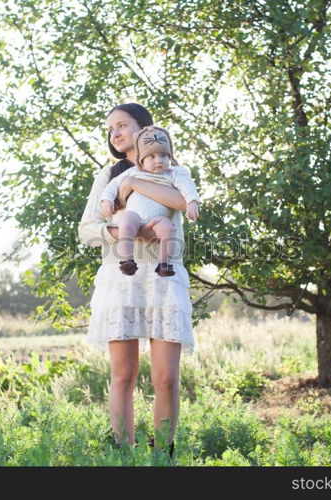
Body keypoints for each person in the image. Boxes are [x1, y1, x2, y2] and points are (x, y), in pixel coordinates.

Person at [77, 103, 196, 457]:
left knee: (166, 378)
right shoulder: (108, 175)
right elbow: (87, 231)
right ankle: (122, 456)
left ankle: (163, 457)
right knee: (124, 375)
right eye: (110, 128)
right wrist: (119, 230)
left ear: (145, 128)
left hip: (164, 277)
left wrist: (133, 181)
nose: (114, 133)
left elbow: (179, 201)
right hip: (122, 278)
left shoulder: (169, 167)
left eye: (122, 125)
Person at [99, 125, 200, 278]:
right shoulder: (134, 172)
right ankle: (127, 260)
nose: (158, 161)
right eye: (151, 157)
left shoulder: (175, 173)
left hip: (157, 220)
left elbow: (187, 187)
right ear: (141, 160)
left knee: (168, 229)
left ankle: (164, 264)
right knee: (126, 220)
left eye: (163, 156)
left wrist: (192, 202)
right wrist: (106, 200)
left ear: (170, 157)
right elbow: (113, 185)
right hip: (136, 217)